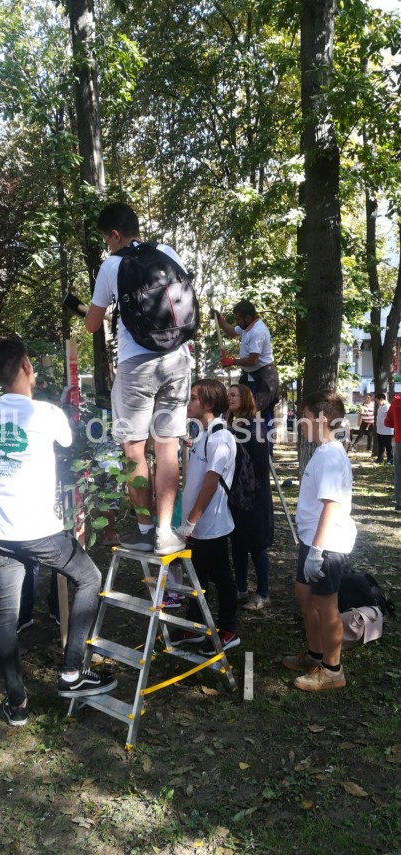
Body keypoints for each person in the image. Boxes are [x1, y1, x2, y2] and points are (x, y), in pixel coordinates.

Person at [0, 337, 116, 726]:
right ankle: (73, 673)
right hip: (37, 528)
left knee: (6, 611)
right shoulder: (47, 414)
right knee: (89, 577)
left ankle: (16, 699)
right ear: (25, 366)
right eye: (32, 364)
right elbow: (70, 441)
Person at [85, 202, 191, 556]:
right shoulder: (165, 252)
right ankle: (165, 531)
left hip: (137, 365)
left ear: (114, 234)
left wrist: (91, 310)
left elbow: (91, 324)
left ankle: (145, 529)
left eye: (106, 238)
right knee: (167, 447)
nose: (107, 245)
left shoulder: (112, 265)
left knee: (134, 448)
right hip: (177, 360)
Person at [283, 390, 357, 691]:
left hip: (326, 543)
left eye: (305, 417)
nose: (301, 423)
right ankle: (315, 655)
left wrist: (316, 551)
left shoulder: (329, 455)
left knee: (326, 605)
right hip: (313, 540)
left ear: (322, 419)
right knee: (304, 594)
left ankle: (332, 670)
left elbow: (331, 505)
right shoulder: (323, 450)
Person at [170, 379, 239, 652]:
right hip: (198, 526)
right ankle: (197, 626)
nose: (189, 402)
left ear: (209, 404)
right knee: (197, 578)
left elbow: (210, 485)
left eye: (194, 398)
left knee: (222, 579)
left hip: (211, 525)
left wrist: (189, 523)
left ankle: (229, 629)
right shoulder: (205, 434)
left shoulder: (222, 437)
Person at [227, 384, 274, 610]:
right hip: (235, 495)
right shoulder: (231, 426)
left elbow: (261, 465)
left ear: (245, 399)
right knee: (237, 543)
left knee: (257, 545)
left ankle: (263, 593)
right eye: (228, 395)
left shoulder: (255, 426)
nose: (229, 398)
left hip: (254, 495)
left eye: (233, 395)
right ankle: (241, 589)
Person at [211, 299, 279, 426]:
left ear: (248, 317)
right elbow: (231, 331)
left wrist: (232, 361)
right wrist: (219, 318)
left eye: (238, 319)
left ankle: (264, 443)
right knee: (243, 408)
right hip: (250, 375)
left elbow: (253, 360)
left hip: (264, 376)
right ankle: (244, 439)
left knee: (261, 412)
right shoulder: (246, 326)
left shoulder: (258, 331)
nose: (236, 322)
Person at [384, 392, 401, 512]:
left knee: (399, 471)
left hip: (400, 441)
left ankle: (399, 503)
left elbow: (388, 422)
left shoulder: (396, 400)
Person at [374, 392, 394, 465]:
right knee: (381, 446)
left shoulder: (388, 406)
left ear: (381, 399)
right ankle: (380, 459)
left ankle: (390, 460)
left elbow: (391, 418)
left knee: (388, 446)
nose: (377, 402)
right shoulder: (380, 406)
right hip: (379, 430)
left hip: (387, 431)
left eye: (377, 400)